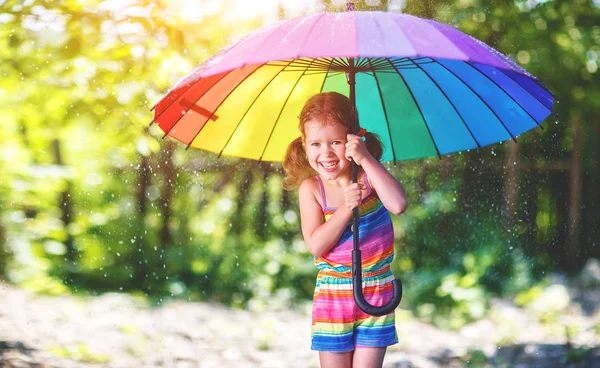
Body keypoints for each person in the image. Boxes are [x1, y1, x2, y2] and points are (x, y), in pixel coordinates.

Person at [282, 92, 408, 368]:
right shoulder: (312, 189)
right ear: (304, 145)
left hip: (376, 287)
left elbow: (398, 204)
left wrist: (365, 159)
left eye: (336, 142)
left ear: (352, 140)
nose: (325, 153)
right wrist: (345, 210)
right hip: (334, 293)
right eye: (315, 144)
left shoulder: (368, 177)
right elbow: (316, 245)